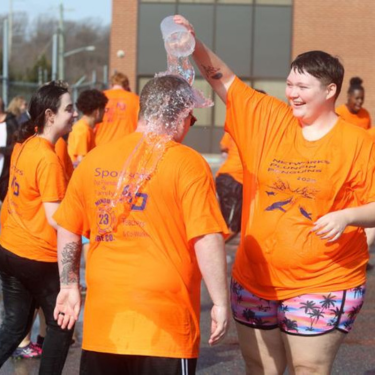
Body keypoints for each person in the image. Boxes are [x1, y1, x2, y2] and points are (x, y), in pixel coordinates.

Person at [176, 15, 375, 375]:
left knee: (308, 368)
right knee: (260, 368)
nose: (292, 93)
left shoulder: (358, 142)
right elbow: (224, 81)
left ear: (330, 91)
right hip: (255, 278)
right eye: (289, 84)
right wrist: (195, 44)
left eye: (303, 87)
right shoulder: (270, 118)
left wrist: (348, 216)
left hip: (323, 279)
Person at [53, 75, 229, 375]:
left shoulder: (95, 161)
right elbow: (206, 237)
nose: (190, 126)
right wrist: (220, 302)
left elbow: (68, 226)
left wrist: (69, 284)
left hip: (105, 325)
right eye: (192, 119)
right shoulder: (188, 163)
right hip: (164, 328)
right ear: (181, 116)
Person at [0, 81, 77, 374]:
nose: (74, 114)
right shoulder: (47, 157)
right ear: (49, 115)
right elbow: (56, 218)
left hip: (10, 250)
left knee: (15, 324)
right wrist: (89, 223)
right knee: (61, 322)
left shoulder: (25, 144)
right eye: (69, 109)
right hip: (37, 257)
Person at [94, 72, 139, 147]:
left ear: (111, 85)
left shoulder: (100, 97)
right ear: (127, 85)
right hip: (127, 147)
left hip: (102, 145)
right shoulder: (135, 99)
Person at [68, 89, 108, 167]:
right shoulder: (82, 131)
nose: (105, 112)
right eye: (104, 109)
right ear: (97, 111)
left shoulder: (85, 128)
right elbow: (81, 160)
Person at [215, 132, 243, 239]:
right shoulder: (257, 129)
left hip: (224, 177)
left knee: (229, 225)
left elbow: (224, 146)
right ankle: (206, 253)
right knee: (231, 227)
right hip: (235, 180)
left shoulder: (235, 128)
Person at [0, 97, 19, 205]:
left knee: (8, 203)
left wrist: (2, 149)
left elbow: (16, 146)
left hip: (6, 171)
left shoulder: (11, 122)